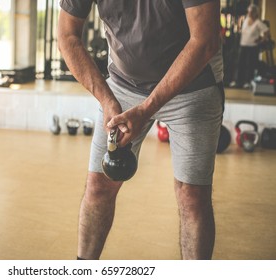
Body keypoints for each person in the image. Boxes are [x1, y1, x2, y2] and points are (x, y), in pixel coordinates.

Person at [58, 0, 224, 260]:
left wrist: (147, 109)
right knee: (99, 185)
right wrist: (107, 99)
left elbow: (205, 41)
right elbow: (67, 36)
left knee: (192, 195)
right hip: (124, 87)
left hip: (192, 85)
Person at [230, 4, 270, 89]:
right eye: (249, 12)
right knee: (240, 64)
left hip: (253, 47)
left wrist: (262, 39)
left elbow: (266, 31)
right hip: (243, 45)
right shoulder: (246, 19)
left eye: (251, 12)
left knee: (250, 65)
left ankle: (247, 82)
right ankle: (237, 81)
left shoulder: (258, 22)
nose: (249, 13)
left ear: (255, 13)